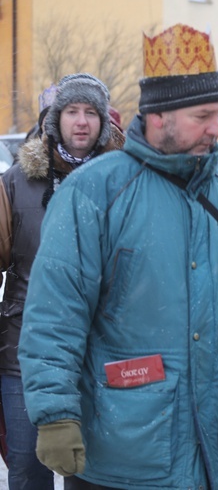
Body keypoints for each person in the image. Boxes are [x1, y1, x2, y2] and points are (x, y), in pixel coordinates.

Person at [17, 24, 218, 489]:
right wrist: (56, 415)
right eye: (203, 115)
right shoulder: (94, 192)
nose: (216, 128)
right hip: (122, 449)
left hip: (217, 443)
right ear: (159, 116)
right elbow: (55, 313)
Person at [0, 73, 123, 490]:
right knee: (28, 469)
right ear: (56, 119)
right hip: (23, 349)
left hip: (105, 349)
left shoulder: (126, 180)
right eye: (72, 111)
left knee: (94, 473)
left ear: (104, 121)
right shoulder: (17, 181)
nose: (82, 121)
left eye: (91, 112)